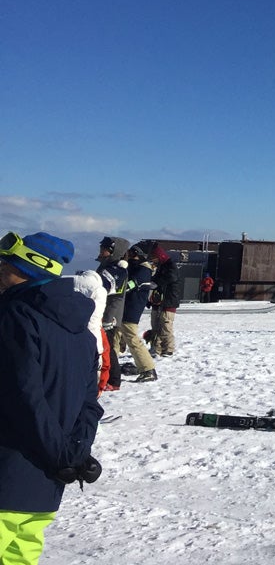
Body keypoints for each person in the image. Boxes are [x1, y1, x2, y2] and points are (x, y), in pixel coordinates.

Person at [0, 232, 104, 563]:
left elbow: (22, 398)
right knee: (20, 555)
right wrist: (75, 453)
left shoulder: (14, 316)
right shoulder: (82, 332)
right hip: (44, 482)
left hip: (8, 470)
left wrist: (64, 456)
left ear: (25, 268)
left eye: (3, 264)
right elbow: (90, 404)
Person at [95, 236, 130, 389]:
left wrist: (108, 318)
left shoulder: (118, 270)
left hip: (109, 317)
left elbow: (116, 297)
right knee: (102, 347)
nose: (101, 251)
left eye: (105, 249)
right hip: (101, 313)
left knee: (107, 349)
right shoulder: (105, 266)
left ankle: (113, 381)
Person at [120, 245, 158, 382]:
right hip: (124, 308)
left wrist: (116, 287)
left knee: (132, 340)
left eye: (130, 253)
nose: (127, 255)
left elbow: (130, 285)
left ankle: (148, 369)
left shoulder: (143, 270)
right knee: (117, 338)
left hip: (131, 310)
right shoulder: (135, 267)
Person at [141, 242, 181, 356]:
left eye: (154, 258)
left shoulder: (170, 266)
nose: (153, 261)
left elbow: (171, 277)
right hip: (158, 301)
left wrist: (156, 283)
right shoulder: (160, 267)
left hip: (168, 302)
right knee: (156, 326)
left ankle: (168, 349)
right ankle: (156, 348)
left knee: (165, 327)